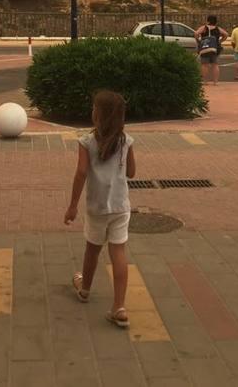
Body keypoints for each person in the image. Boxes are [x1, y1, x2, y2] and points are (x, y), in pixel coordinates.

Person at [64, 90, 136, 329]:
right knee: (119, 252)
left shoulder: (87, 142)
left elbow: (81, 173)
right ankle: (119, 307)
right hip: (120, 206)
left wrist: (73, 205)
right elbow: (132, 173)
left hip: (96, 207)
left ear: (98, 115)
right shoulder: (126, 140)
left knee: (92, 250)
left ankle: (85, 289)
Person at [195, 15, 229, 86]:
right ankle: (215, 82)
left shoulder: (204, 28)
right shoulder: (218, 28)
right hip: (215, 48)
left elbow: (196, 33)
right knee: (215, 64)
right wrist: (220, 41)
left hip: (205, 47)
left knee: (204, 65)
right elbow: (226, 34)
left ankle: (205, 82)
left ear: (208, 21)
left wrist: (199, 41)